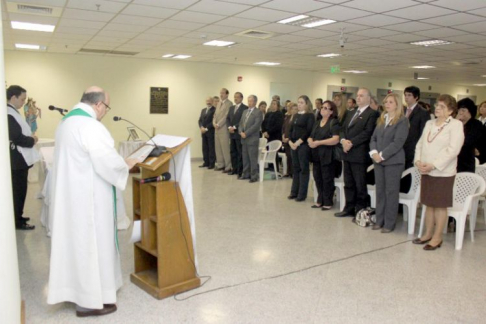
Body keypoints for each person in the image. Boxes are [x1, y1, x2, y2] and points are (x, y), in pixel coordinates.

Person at [48, 86, 138, 317]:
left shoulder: (66, 123)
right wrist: (125, 164)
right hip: (89, 200)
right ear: (98, 104)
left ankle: (75, 291)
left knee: (76, 245)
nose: (106, 112)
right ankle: (89, 301)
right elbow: (107, 161)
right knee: (91, 245)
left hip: (72, 197)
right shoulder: (90, 126)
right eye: (106, 107)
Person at [413, 95, 464, 250]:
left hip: (443, 172)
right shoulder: (429, 123)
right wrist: (418, 161)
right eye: (437, 105)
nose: (437, 108)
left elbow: (453, 150)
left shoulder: (455, 125)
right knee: (428, 204)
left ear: (450, 111)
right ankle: (428, 233)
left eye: (442, 106)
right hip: (426, 170)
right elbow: (420, 144)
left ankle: (437, 237)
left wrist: (433, 165)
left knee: (440, 206)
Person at [335, 88, 380, 218]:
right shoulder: (351, 112)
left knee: (360, 184)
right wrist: (343, 141)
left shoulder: (372, 114)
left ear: (368, 98)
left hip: (359, 153)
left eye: (361, 96)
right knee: (348, 183)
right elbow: (342, 128)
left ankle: (360, 210)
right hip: (347, 152)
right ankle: (348, 207)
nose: (358, 98)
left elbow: (367, 132)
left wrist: (351, 143)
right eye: (358, 96)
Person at [369, 93, 409, 233]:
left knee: (391, 192)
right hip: (378, 161)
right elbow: (373, 138)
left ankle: (389, 223)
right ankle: (379, 220)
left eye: (390, 102)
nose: (387, 104)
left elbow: (398, 142)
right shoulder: (382, 119)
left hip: (393, 162)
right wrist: (373, 152)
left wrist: (382, 155)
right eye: (386, 102)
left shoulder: (402, 121)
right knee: (380, 192)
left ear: (397, 104)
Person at [7, 85, 39, 230]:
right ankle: (17, 220)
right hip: (16, 160)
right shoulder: (8, 113)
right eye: (22, 99)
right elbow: (17, 137)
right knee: (18, 191)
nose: (23, 102)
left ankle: (18, 215)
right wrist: (32, 140)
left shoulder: (13, 112)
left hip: (18, 160)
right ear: (13, 97)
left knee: (20, 190)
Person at [308, 100, 340, 210]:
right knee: (318, 178)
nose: (323, 109)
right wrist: (310, 141)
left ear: (331, 112)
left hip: (328, 155)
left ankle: (328, 201)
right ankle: (319, 200)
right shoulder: (317, 122)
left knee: (327, 179)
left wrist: (319, 142)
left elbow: (335, 139)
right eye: (322, 107)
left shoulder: (333, 122)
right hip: (316, 154)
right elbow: (311, 135)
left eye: (326, 108)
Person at [401, 86, 430, 194]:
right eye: (405, 95)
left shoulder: (422, 112)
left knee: (408, 176)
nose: (406, 98)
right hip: (400, 149)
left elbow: (423, 134)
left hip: (412, 150)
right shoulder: (401, 110)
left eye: (409, 95)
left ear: (416, 97)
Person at [288, 95, 315, 201]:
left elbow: (308, 131)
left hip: (303, 145)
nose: (299, 104)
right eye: (298, 102)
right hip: (293, 145)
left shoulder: (310, 116)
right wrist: (290, 141)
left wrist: (299, 142)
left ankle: (302, 194)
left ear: (307, 104)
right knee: (295, 168)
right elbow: (290, 130)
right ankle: (294, 192)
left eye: (301, 103)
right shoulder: (295, 116)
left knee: (303, 169)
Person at [239, 95, 263, 183]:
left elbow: (256, 126)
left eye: (251, 101)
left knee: (252, 158)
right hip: (244, 139)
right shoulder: (245, 111)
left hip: (252, 139)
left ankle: (254, 176)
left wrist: (246, 133)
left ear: (255, 102)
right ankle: (245, 174)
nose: (249, 103)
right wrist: (241, 132)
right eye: (248, 101)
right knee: (245, 158)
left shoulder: (258, 112)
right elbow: (241, 123)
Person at [456, 98, 483, 173]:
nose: (460, 113)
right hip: (454, 160)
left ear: (470, 112)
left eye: (463, 110)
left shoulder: (476, 124)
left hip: (466, 161)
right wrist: (456, 122)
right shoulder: (455, 123)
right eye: (459, 110)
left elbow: (468, 141)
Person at [227, 92, 248, 176]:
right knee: (233, 152)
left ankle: (240, 171)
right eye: (234, 97)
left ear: (241, 98)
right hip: (231, 133)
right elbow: (227, 119)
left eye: (237, 97)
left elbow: (242, 121)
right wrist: (229, 128)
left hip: (238, 133)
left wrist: (234, 127)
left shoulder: (244, 108)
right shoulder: (231, 108)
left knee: (240, 153)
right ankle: (234, 169)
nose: (235, 99)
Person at [213, 88, 233, 173]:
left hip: (223, 128)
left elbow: (226, 116)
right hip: (216, 129)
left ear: (227, 94)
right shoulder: (219, 103)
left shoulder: (229, 103)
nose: (221, 95)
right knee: (218, 148)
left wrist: (219, 124)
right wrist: (214, 123)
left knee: (225, 148)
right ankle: (220, 164)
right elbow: (215, 115)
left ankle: (228, 166)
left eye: (223, 93)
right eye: (220, 93)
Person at [198, 97, 216, 169]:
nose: (208, 102)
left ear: (212, 101)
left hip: (210, 132)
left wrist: (206, 128)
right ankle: (206, 162)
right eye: (207, 101)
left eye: (210, 101)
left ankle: (211, 164)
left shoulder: (214, 110)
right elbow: (200, 120)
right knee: (204, 148)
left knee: (211, 148)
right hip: (203, 132)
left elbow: (213, 121)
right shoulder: (203, 110)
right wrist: (201, 127)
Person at [282, 102, 298, 178]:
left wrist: (289, 138)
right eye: (292, 109)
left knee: (293, 157)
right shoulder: (287, 117)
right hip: (286, 139)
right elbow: (284, 127)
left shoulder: (297, 119)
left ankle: (294, 172)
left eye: (296, 109)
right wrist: (283, 136)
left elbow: (295, 130)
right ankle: (289, 171)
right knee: (288, 156)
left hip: (293, 140)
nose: (294, 110)